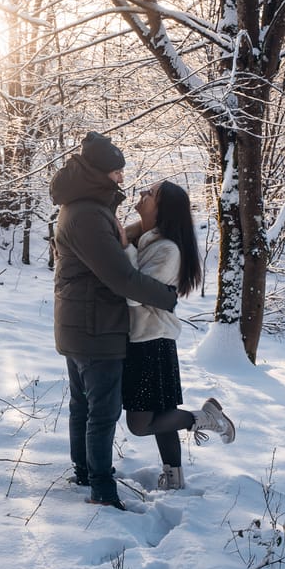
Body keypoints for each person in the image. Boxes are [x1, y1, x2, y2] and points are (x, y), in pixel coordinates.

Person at [51, 132, 179, 510]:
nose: (123, 179)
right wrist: (166, 298)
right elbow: (119, 276)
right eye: (117, 172)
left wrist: (136, 231)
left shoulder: (84, 208)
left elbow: (113, 245)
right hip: (95, 325)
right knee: (101, 412)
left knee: (84, 407)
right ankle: (102, 491)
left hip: (83, 321)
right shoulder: (88, 214)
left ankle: (87, 473)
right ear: (97, 174)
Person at [122, 180, 235, 491]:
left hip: (151, 343)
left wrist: (123, 246)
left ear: (163, 210)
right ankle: (174, 479)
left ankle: (204, 417)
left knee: (140, 424)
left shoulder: (167, 250)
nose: (143, 194)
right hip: (143, 340)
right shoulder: (146, 239)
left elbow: (134, 293)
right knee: (162, 415)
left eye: (151, 194)